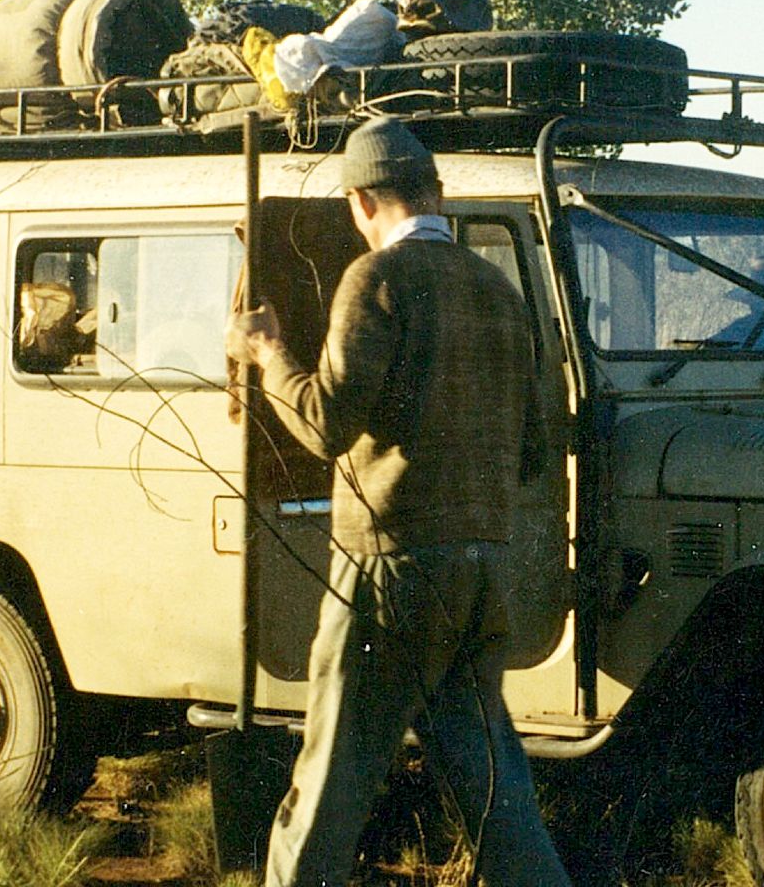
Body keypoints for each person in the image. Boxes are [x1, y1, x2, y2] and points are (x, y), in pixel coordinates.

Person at [225, 116, 570, 887]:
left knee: (327, 791)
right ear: (437, 194)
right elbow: (532, 452)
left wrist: (267, 352)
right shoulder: (499, 289)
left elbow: (323, 423)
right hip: (484, 575)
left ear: (358, 203)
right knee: (498, 800)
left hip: (390, 573)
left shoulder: (374, 279)